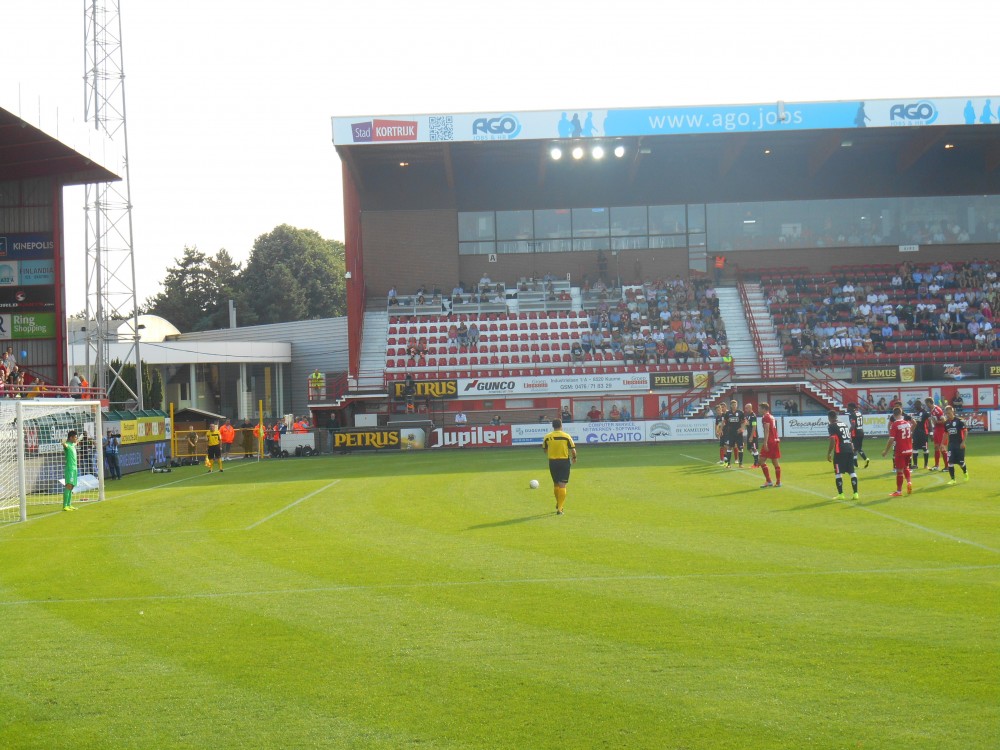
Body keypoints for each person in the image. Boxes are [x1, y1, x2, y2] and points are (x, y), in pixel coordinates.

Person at [542, 418, 577, 516]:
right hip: (564, 462)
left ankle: (558, 503)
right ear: (561, 425)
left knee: (556, 484)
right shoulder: (566, 436)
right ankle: (560, 509)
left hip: (552, 462)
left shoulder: (547, 437)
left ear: (553, 426)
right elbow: (573, 450)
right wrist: (574, 457)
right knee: (562, 485)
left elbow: (545, 450)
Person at [881, 407, 914, 497]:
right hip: (909, 449)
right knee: (906, 467)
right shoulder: (907, 423)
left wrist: (886, 451)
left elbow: (891, 439)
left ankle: (899, 491)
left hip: (900, 450)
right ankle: (909, 482)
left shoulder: (895, 425)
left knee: (899, 471)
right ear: (901, 413)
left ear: (893, 415)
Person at [827, 410, 859, 500]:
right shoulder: (844, 424)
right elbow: (849, 437)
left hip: (839, 451)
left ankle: (841, 494)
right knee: (852, 472)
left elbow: (833, 440)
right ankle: (855, 493)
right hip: (849, 449)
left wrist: (829, 453)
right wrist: (852, 448)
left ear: (830, 418)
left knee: (838, 473)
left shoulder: (831, 426)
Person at [943, 405, 970, 484]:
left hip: (959, 444)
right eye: (946, 413)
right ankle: (953, 479)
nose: (948, 415)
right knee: (950, 462)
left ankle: (965, 473)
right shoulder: (946, 423)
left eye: (949, 413)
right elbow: (945, 434)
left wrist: (963, 442)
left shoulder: (960, 421)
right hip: (951, 445)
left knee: (960, 462)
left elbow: (965, 431)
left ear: (953, 412)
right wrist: (942, 444)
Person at [758, 402, 782, 488]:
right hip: (775, 441)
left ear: (764, 409)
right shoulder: (771, 416)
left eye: (760, 408)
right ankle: (778, 482)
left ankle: (768, 481)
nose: (759, 410)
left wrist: (765, 442)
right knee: (775, 462)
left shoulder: (765, 417)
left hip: (770, 442)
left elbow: (767, 430)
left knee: (761, 460)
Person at [924, 397, 948, 471]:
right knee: (936, 447)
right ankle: (937, 465)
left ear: (929, 403)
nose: (926, 405)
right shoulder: (932, 410)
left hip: (941, 430)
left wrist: (936, 422)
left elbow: (944, 421)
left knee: (942, 448)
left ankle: (947, 466)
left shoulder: (937, 410)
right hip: (936, 430)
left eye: (926, 403)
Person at [845, 402, 870, 469]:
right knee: (855, 448)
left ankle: (865, 459)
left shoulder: (852, 414)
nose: (847, 408)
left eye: (848, 407)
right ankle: (855, 464)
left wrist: (848, 432)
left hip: (855, 433)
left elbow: (853, 425)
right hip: (861, 431)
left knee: (856, 448)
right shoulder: (859, 413)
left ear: (851, 407)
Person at [722, 399, 746, 468]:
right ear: (731, 405)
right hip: (730, 433)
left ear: (737, 405)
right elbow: (724, 422)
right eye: (732, 405)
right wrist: (721, 430)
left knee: (740, 448)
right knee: (729, 447)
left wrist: (742, 428)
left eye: (735, 405)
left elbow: (744, 421)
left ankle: (740, 463)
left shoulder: (740, 412)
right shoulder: (728, 413)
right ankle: (728, 464)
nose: (734, 406)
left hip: (738, 434)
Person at [61, 430, 80, 511]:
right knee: (68, 486)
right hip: (70, 469)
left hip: (75, 468)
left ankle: (69, 504)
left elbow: (76, 442)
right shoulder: (68, 445)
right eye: (75, 437)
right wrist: (62, 442)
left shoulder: (73, 444)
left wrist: (79, 439)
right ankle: (65, 506)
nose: (76, 439)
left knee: (71, 486)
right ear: (71, 437)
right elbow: (64, 444)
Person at [911, 402, 930, 470]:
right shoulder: (914, 413)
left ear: (919, 405)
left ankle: (926, 465)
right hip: (915, 434)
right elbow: (913, 424)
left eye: (916, 405)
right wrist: (911, 432)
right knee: (915, 449)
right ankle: (915, 465)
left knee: (925, 449)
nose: (915, 406)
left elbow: (929, 422)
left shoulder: (925, 413)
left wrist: (931, 433)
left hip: (923, 434)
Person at [744, 403, 759, 467]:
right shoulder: (748, 415)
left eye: (746, 408)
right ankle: (757, 459)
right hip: (749, 434)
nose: (745, 409)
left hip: (753, 435)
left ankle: (756, 463)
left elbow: (754, 426)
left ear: (750, 408)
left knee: (754, 448)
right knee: (749, 448)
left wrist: (751, 436)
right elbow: (747, 424)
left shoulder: (753, 416)